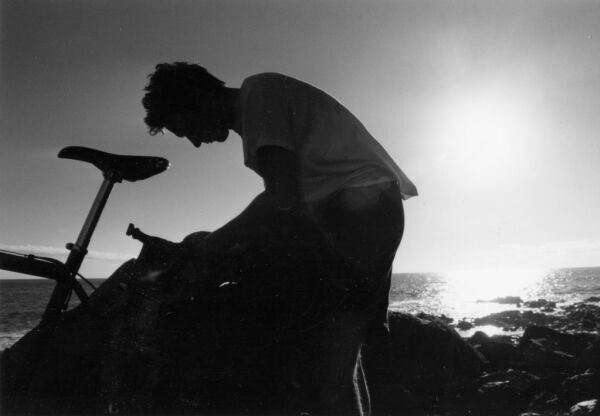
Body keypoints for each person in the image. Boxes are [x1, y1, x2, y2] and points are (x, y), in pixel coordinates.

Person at [142, 62, 417, 415]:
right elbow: (291, 205)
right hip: (365, 212)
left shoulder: (259, 94)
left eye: (186, 129)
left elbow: (280, 199)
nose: (195, 142)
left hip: (358, 215)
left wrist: (209, 245)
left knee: (327, 365)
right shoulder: (261, 103)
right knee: (341, 352)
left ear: (197, 97)